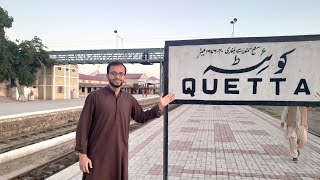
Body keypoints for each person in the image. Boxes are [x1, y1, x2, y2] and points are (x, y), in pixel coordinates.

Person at [75, 61, 175, 180]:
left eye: (121, 74)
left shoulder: (129, 99)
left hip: (119, 155)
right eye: (113, 73)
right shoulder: (94, 97)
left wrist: (159, 106)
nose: (117, 76)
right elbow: (83, 126)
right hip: (97, 155)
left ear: (124, 77)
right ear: (107, 76)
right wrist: (82, 155)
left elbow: (141, 117)